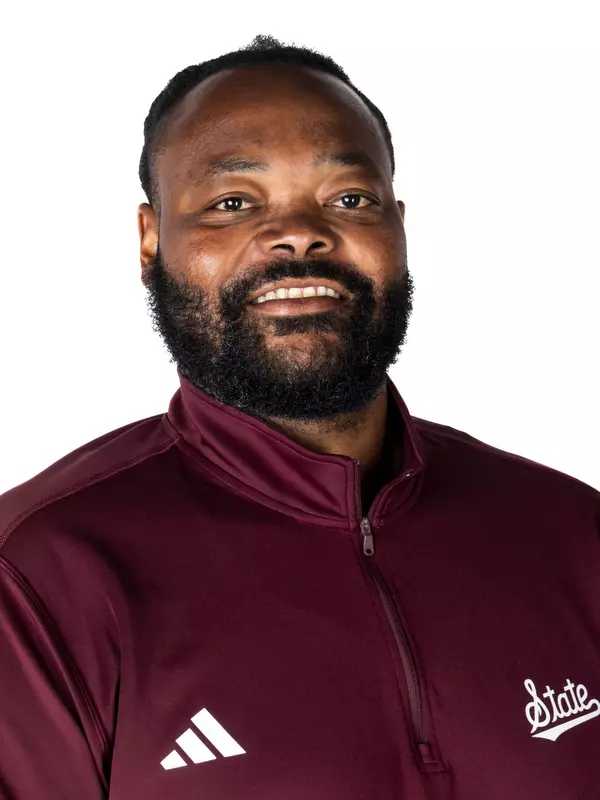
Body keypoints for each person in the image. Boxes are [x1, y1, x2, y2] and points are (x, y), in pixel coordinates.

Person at [0, 33, 599, 800]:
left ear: (398, 225)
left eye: (349, 199)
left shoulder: (572, 532)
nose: (299, 233)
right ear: (151, 241)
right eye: (232, 203)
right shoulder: (41, 580)